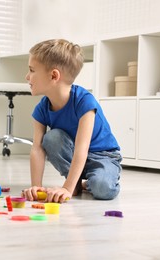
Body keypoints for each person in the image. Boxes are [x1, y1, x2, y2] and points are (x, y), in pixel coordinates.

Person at [22, 39, 122, 203]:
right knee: (51, 137)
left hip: (102, 155)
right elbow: (37, 149)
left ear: (54, 75)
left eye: (32, 70)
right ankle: (75, 182)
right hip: (73, 153)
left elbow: (82, 149)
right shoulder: (42, 108)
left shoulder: (85, 102)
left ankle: (81, 182)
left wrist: (67, 189)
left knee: (102, 189)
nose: (27, 76)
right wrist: (36, 186)